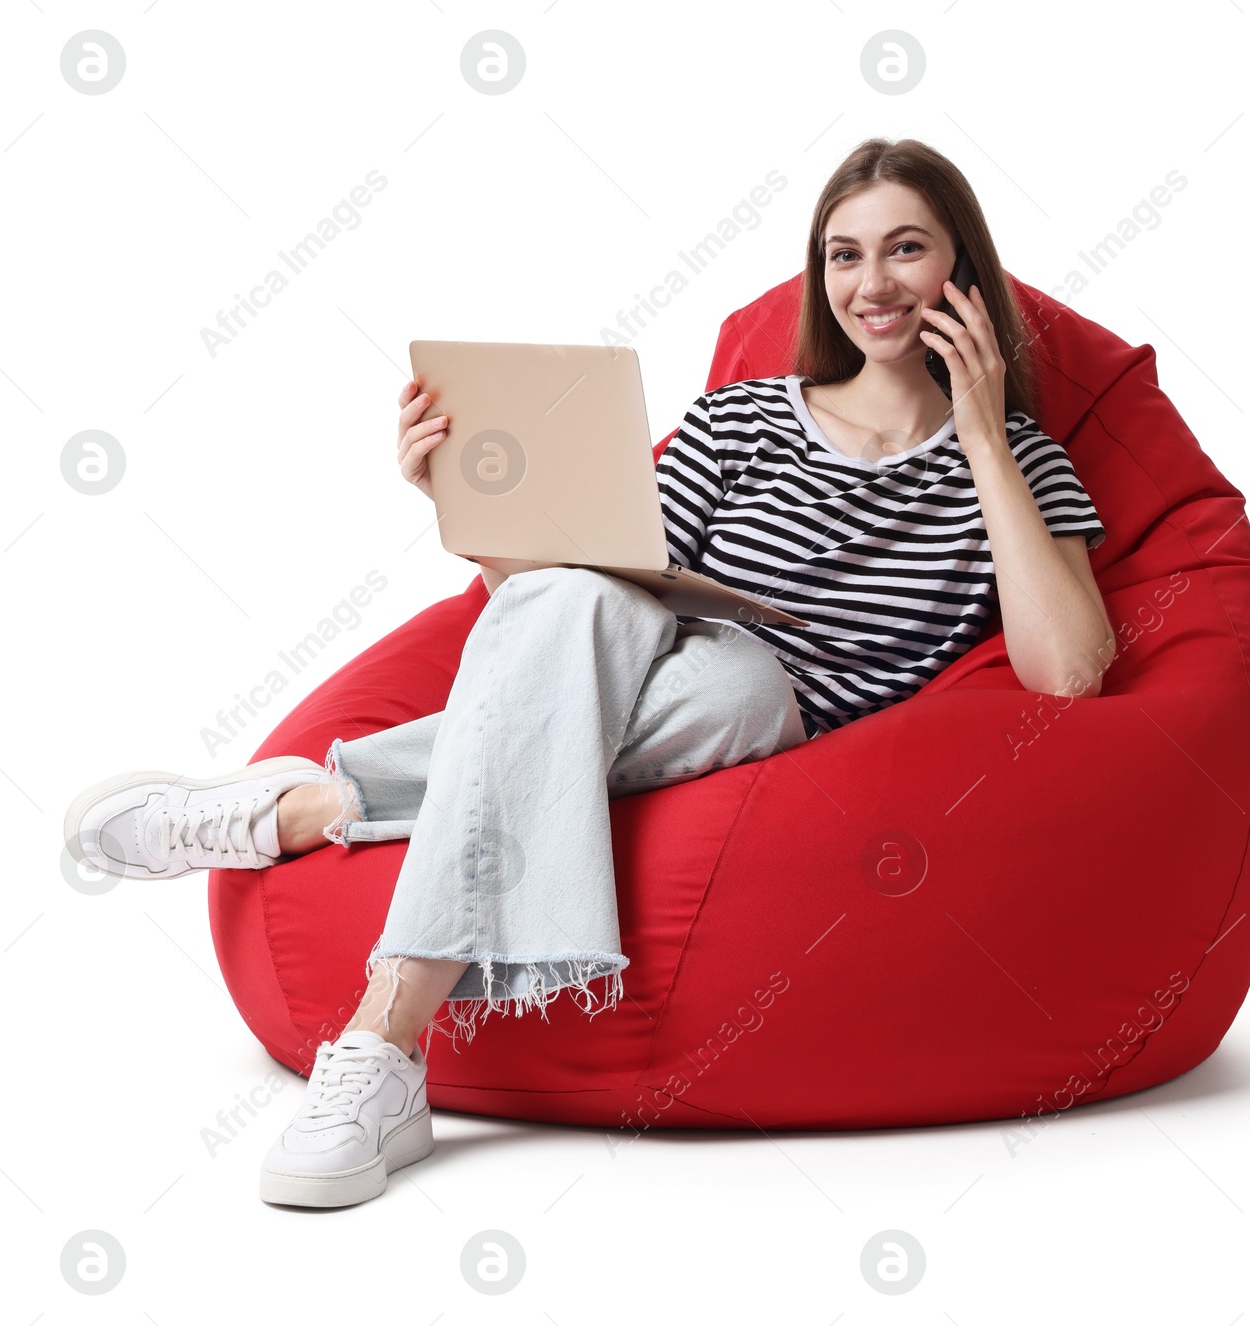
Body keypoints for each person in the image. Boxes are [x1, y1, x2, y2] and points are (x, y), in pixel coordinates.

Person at [63, 136, 1114, 1209]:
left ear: (961, 270)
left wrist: (982, 436)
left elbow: (1068, 671)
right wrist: (459, 507)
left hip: (774, 712)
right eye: (843, 255)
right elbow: (598, 577)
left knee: (740, 686)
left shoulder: (1021, 461)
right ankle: (386, 1046)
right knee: (567, 597)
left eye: (904, 249)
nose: (871, 283)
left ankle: (315, 803)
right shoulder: (746, 417)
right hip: (642, 649)